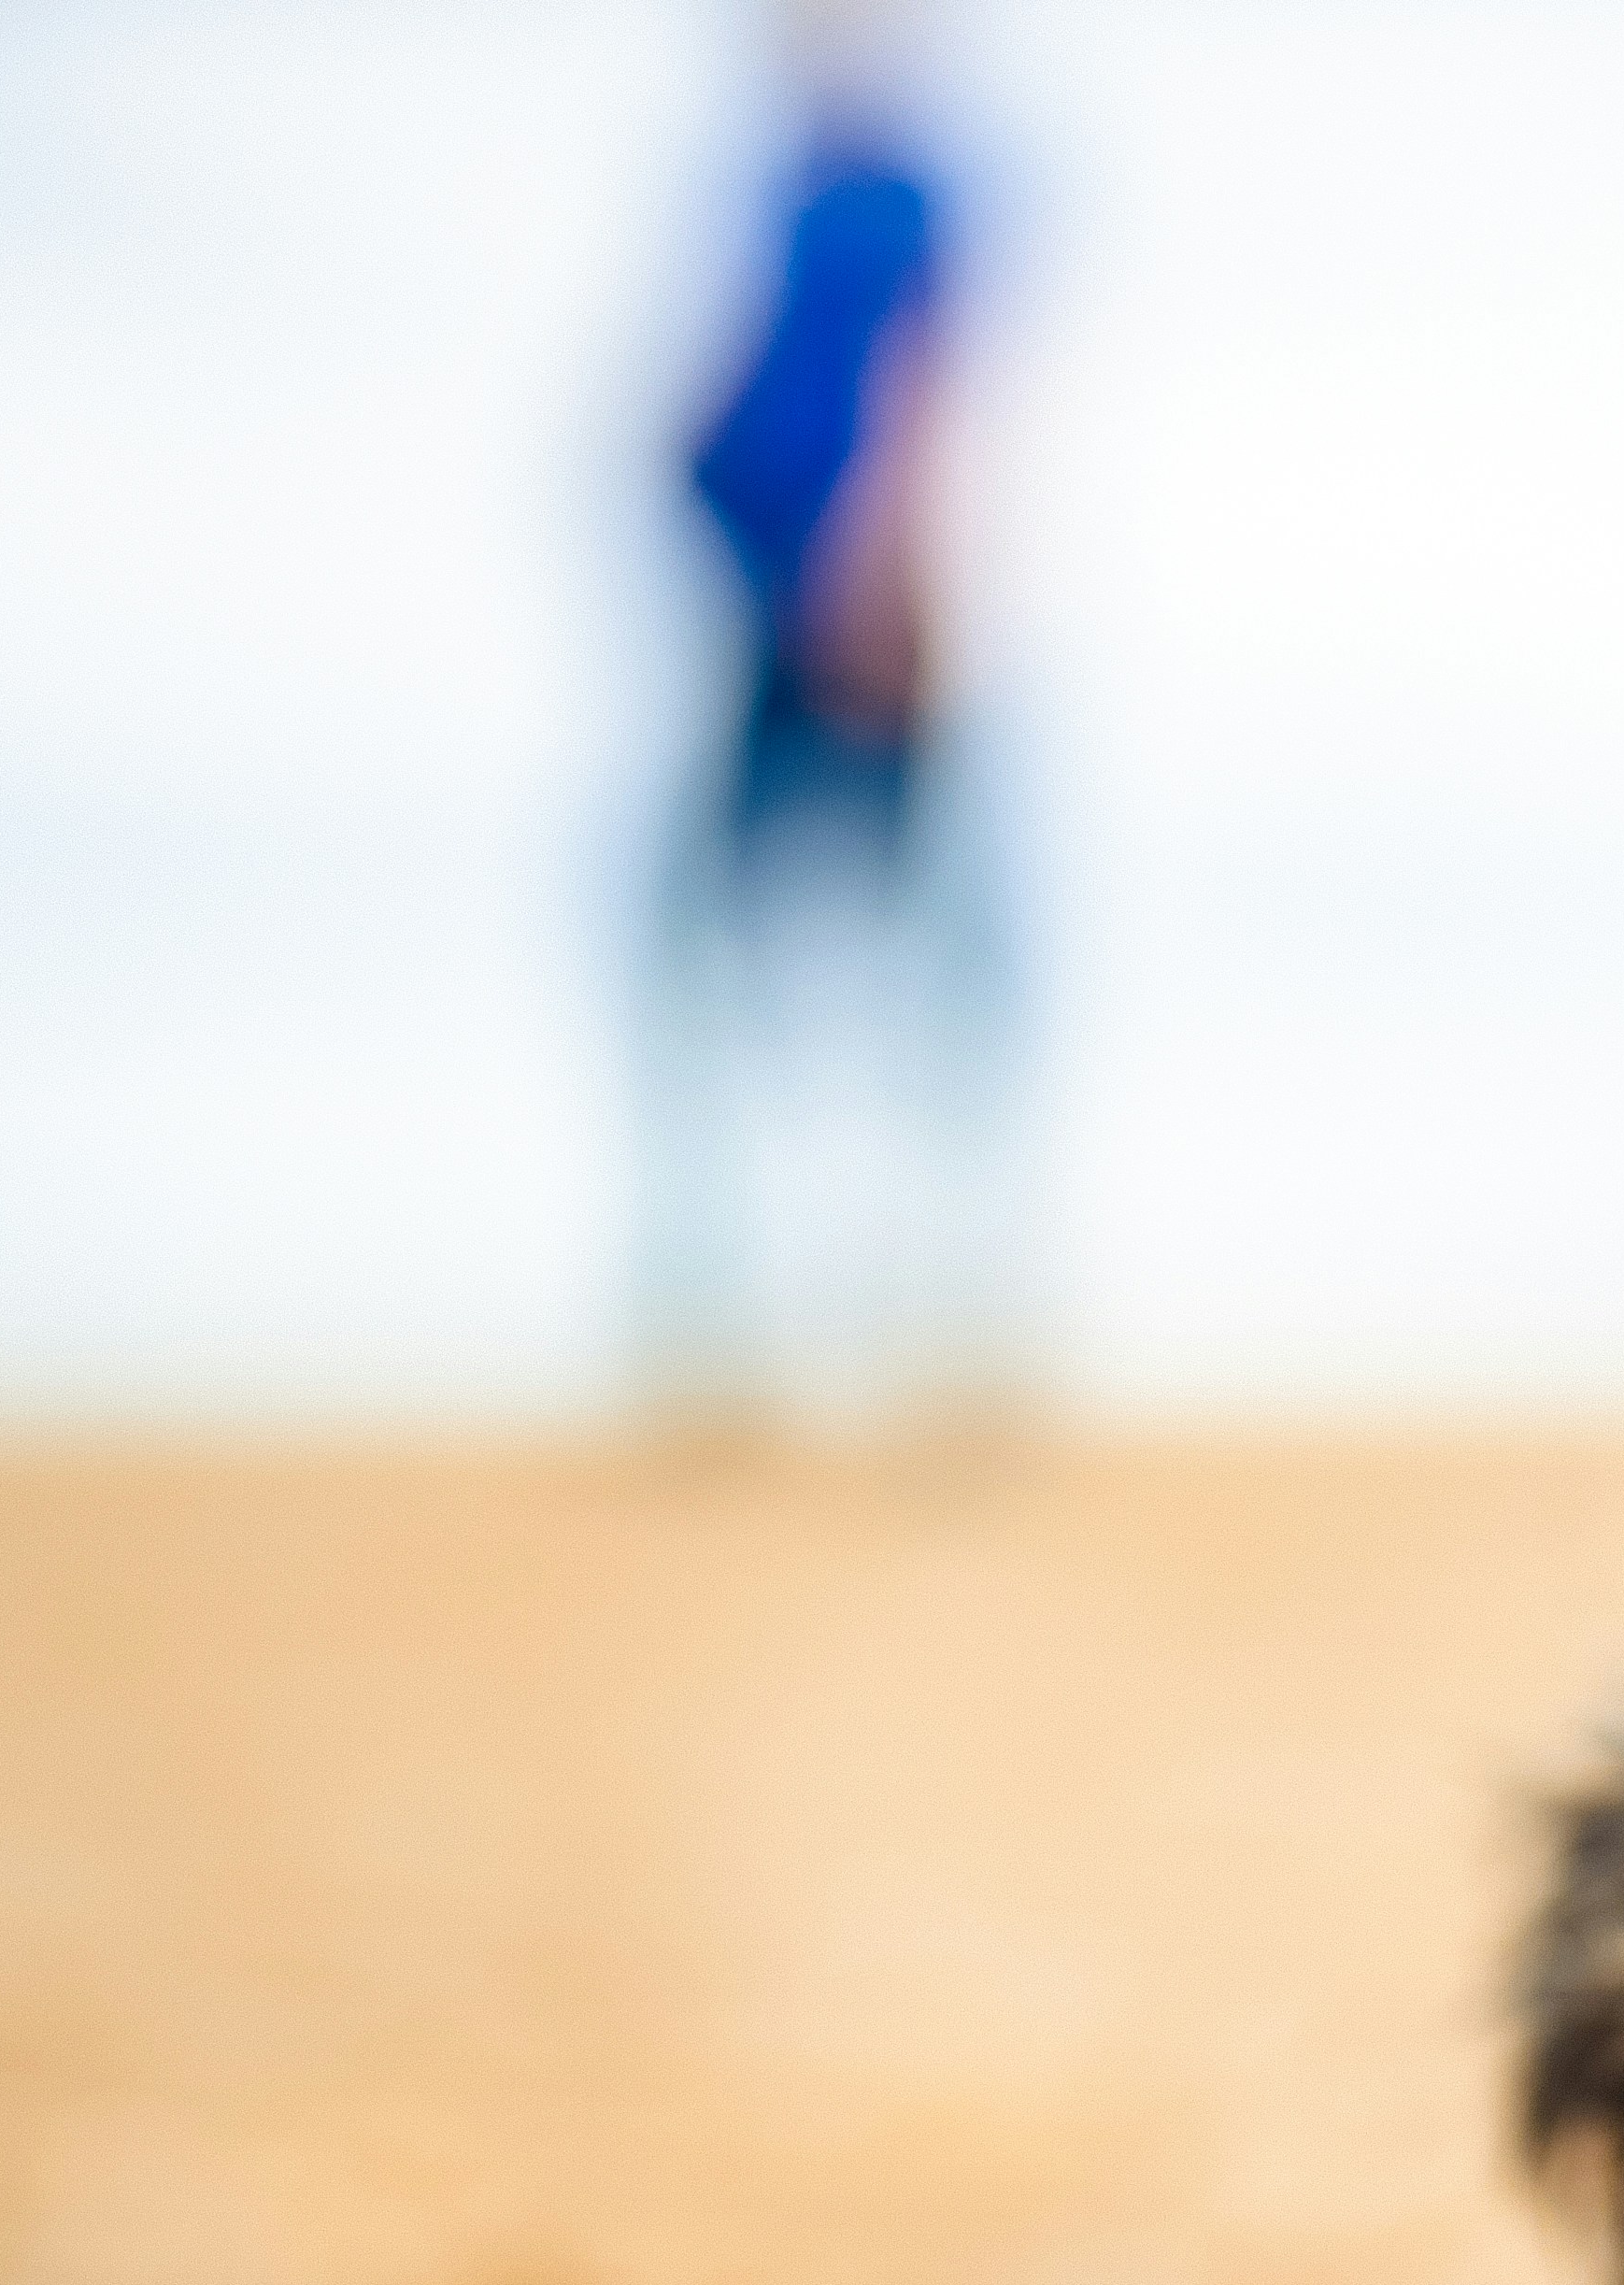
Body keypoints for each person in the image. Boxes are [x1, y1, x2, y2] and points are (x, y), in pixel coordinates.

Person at [636, 12, 1021, 1447]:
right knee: (714, 962)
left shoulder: (903, 191)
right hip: (761, 606)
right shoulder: (785, 180)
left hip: (849, 623)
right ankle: (730, 1318)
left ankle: (945, 1324)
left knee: (931, 971)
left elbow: (928, 388)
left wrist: (884, 574)